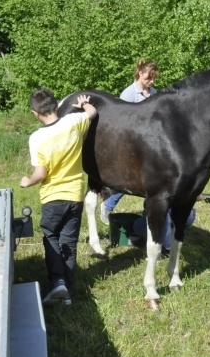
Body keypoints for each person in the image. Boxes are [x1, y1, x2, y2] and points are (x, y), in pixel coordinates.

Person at [21, 88, 97, 306]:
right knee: (69, 241)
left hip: (53, 197)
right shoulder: (74, 121)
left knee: (51, 238)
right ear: (56, 106)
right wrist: (82, 103)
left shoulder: (36, 138)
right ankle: (67, 289)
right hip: (75, 195)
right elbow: (92, 111)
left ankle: (58, 283)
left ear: (35, 113)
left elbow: (41, 174)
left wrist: (28, 181)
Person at [99, 58, 159, 223]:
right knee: (132, 180)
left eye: (154, 79)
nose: (152, 82)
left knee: (152, 182)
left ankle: (149, 216)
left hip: (150, 146)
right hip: (131, 146)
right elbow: (122, 123)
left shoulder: (153, 93)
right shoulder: (128, 94)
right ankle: (108, 205)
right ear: (140, 73)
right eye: (149, 78)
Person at [130, 205, 196, 256]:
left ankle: (166, 248)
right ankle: (165, 234)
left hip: (185, 214)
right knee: (138, 226)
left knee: (163, 206)